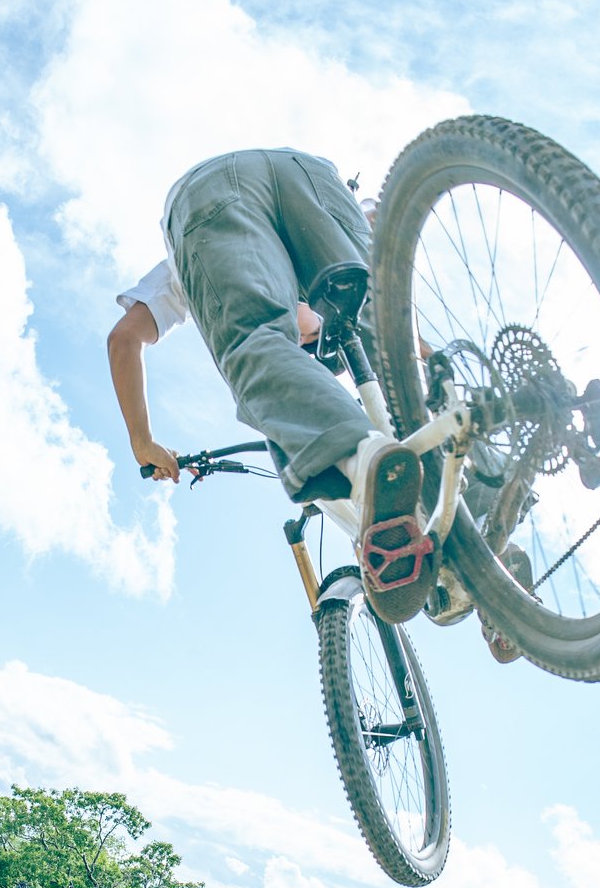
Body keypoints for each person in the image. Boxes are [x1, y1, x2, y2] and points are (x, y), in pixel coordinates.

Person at [106, 147, 434, 621]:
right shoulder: (210, 271)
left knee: (254, 338)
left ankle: (362, 459)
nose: (309, 348)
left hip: (210, 194)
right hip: (308, 172)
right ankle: (484, 504)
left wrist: (142, 442)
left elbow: (124, 339)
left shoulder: (192, 267)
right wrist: (419, 353)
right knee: (385, 335)